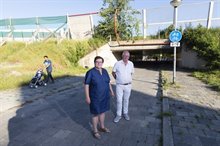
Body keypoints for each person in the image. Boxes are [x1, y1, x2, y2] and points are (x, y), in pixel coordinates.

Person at [84, 56, 114, 139]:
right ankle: (95, 130)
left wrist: (111, 91)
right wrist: (87, 97)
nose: (99, 63)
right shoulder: (90, 72)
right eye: (97, 62)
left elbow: (108, 82)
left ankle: (102, 127)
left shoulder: (104, 71)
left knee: (103, 112)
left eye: (101, 62)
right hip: (95, 97)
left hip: (104, 96)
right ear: (94, 62)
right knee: (96, 113)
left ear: (102, 63)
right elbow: (86, 85)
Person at [112, 51, 134, 123]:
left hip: (128, 85)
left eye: (128, 56)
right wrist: (117, 78)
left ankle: (125, 113)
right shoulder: (117, 63)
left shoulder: (131, 64)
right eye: (125, 56)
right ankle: (118, 115)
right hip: (119, 85)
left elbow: (131, 73)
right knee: (119, 100)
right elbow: (113, 72)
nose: (126, 57)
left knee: (126, 100)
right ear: (122, 56)